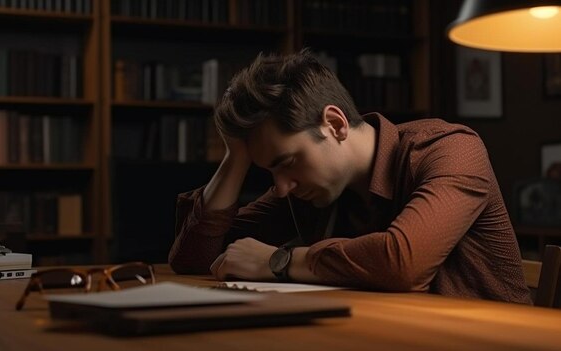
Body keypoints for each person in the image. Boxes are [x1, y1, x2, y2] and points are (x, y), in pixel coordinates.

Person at [168, 49, 532, 304]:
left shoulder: (451, 149)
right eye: (269, 169)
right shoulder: (306, 188)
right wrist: (235, 157)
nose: (281, 187)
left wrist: (276, 261)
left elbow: (403, 263)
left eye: (287, 161)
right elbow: (196, 259)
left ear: (335, 124)